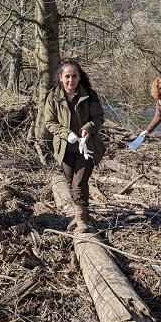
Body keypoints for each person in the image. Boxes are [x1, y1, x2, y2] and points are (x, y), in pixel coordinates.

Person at [44, 59, 105, 232]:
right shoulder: (53, 96)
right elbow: (49, 122)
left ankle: (81, 221)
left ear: (80, 77)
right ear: (61, 78)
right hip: (64, 149)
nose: (71, 80)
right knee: (72, 183)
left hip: (87, 147)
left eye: (74, 76)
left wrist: (87, 129)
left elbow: (99, 118)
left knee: (79, 183)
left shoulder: (90, 95)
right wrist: (66, 134)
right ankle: (83, 214)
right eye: (67, 76)